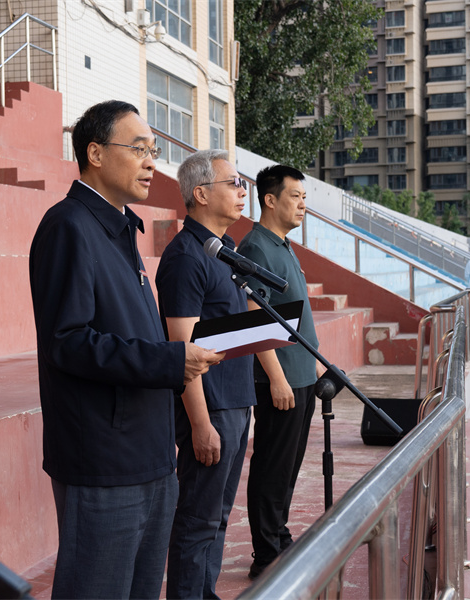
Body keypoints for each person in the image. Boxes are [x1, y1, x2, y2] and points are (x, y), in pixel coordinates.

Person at [28, 100, 223, 600]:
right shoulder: (69, 226)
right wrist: (170, 360)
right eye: (138, 150)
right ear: (95, 153)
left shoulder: (119, 228)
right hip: (105, 460)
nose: (151, 162)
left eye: (153, 151)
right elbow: (67, 343)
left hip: (152, 453)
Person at [155, 149, 257, 599]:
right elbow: (183, 349)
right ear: (200, 194)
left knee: (218, 517)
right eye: (233, 183)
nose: (242, 192)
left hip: (235, 400)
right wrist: (200, 423)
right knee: (198, 520)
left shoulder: (225, 250)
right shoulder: (185, 257)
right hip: (210, 408)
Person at [236, 165, 322, 579]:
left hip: (302, 375)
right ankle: (266, 553)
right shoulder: (256, 247)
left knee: (288, 467)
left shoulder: (282, 244)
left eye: (304, 197)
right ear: (270, 200)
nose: (303, 205)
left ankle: (279, 535)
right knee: (272, 466)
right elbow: (253, 315)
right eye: (295, 197)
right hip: (281, 379)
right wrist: (276, 377)